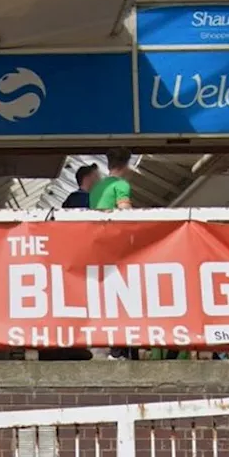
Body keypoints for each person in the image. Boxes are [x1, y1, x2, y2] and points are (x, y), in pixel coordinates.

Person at [90, 147, 135, 359]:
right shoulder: (121, 184)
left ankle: (106, 343)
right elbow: (125, 212)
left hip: (98, 246)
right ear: (127, 164)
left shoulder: (97, 187)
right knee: (124, 296)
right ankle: (119, 349)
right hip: (117, 247)